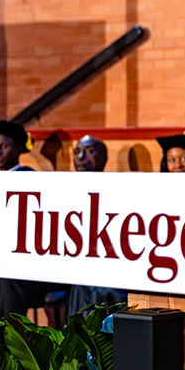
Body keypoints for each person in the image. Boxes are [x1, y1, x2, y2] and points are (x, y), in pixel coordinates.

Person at [0, 121, 68, 345]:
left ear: (17, 148)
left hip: (31, 265)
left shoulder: (31, 179)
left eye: (3, 146)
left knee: (7, 275)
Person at [64, 136, 127, 317]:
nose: (81, 157)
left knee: (99, 286)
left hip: (105, 263)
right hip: (68, 263)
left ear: (104, 158)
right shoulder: (61, 189)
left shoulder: (118, 190)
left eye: (90, 151)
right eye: (77, 152)